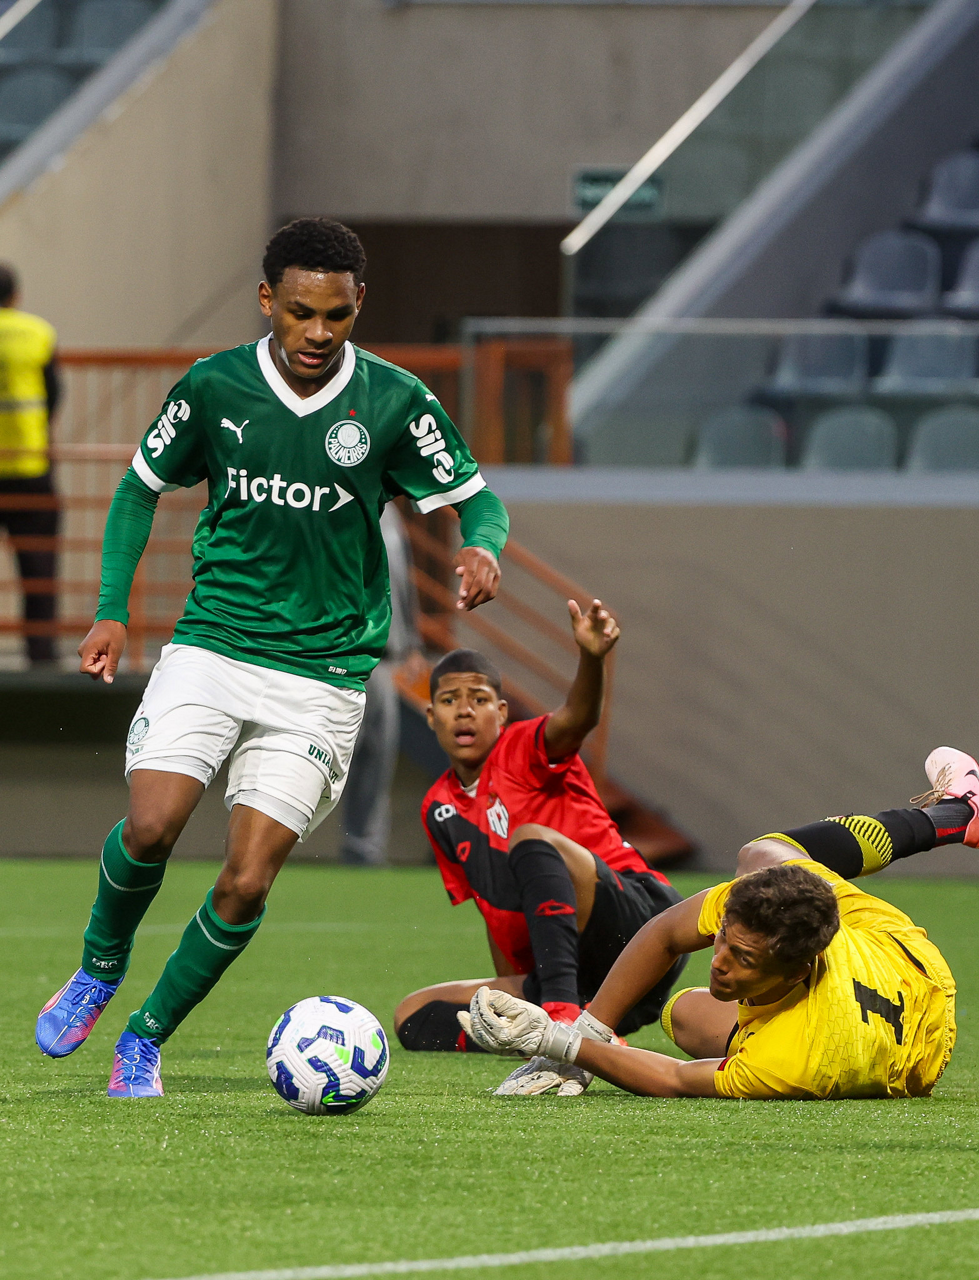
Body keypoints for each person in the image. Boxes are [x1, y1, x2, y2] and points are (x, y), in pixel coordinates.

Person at [34, 217, 509, 1098]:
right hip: (214, 643)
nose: (318, 333)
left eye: (337, 315)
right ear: (267, 301)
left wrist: (482, 546)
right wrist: (110, 613)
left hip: (322, 676)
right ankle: (100, 968)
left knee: (247, 880)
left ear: (358, 304)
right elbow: (138, 489)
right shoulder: (215, 385)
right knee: (151, 827)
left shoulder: (395, 401)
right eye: (300, 313)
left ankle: (144, 1037)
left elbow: (478, 500)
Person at [460, 746, 979, 1101]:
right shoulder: (798, 910)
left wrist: (557, 1042)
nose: (718, 963)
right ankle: (962, 814)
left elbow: (676, 1079)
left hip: (919, 1034)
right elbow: (665, 932)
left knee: (688, 1019)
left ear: (798, 971)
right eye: (723, 940)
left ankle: (956, 814)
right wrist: (590, 1029)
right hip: (888, 952)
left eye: (743, 958)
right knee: (758, 860)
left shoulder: (792, 1060)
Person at [393, 599, 686, 1096]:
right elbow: (495, 912)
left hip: (641, 929)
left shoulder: (525, 747)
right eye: (449, 700)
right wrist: (508, 1010)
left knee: (530, 839)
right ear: (430, 715)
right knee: (412, 1014)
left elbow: (577, 718)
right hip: (571, 973)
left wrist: (591, 658)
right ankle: (560, 1038)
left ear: (502, 713)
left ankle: (562, 1023)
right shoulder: (437, 807)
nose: (464, 710)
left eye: (479, 698)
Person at [340, 501, 419, 865]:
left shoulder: (391, 514)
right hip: (341, 656)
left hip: (385, 659)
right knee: (325, 762)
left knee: (377, 760)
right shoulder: (336, 500)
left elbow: (403, 580)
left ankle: (364, 852)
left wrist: (412, 643)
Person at [0, 263, 62, 666]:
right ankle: (41, 656)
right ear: (16, 296)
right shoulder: (38, 333)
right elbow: (53, 393)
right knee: (38, 567)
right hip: (29, 467)